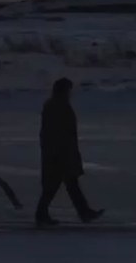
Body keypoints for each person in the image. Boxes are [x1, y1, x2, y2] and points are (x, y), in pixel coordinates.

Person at [35, 78, 104, 226]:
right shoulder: (57, 107)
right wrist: (59, 152)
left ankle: (83, 212)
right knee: (56, 185)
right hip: (59, 153)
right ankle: (42, 214)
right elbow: (55, 133)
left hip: (61, 152)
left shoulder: (58, 105)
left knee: (67, 184)